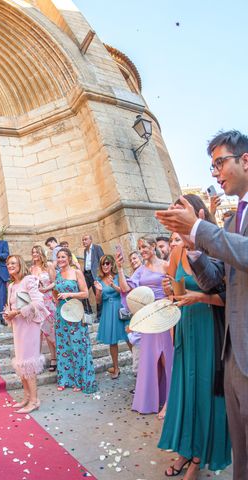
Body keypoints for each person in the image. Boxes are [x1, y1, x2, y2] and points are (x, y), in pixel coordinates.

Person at [155, 129, 248, 480]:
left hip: (236, 341)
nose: (215, 173)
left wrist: (197, 230)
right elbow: (219, 280)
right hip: (233, 353)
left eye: (219, 163)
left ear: (245, 160)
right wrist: (190, 247)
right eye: (211, 166)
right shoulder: (232, 218)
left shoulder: (222, 224)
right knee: (242, 454)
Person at [157, 195, 231, 479]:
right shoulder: (176, 252)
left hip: (208, 328)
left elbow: (229, 298)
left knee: (203, 393)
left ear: (197, 213)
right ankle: (185, 450)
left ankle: (199, 456)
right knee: (185, 392)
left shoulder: (215, 245)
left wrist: (198, 297)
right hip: (186, 328)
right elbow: (176, 294)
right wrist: (169, 288)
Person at [116, 236, 173, 416]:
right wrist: (119, 268)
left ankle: (170, 403)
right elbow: (127, 289)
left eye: (144, 247)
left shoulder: (166, 265)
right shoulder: (140, 270)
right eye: (139, 248)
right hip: (149, 317)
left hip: (165, 314)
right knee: (150, 360)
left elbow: (174, 287)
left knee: (166, 357)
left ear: (154, 246)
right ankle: (152, 400)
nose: (142, 250)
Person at [4, 255, 48, 412]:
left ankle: (34, 400)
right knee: (22, 362)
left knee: (28, 362)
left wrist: (16, 311)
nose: (10, 265)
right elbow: (11, 306)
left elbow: (38, 303)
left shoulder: (28, 280)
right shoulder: (11, 286)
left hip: (29, 326)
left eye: (13, 263)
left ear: (20, 264)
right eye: (8, 263)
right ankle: (27, 397)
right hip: (18, 326)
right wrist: (8, 313)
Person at [53, 247, 97, 393]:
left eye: (63, 257)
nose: (60, 260)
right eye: (58, 257)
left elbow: (85, 293)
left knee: (77, 346)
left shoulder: (76, 272)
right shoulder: (58, 274)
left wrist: (68, 294)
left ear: (69, 259)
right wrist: (56, 299)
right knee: (63, 347)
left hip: (75, 313)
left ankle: (79, 380)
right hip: (61, 314)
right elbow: (55, 291)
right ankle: (65, 379)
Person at [94, 255, 131, 379]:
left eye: (107, 263)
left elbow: (125, 290)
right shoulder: (99, 280)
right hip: (108, 311)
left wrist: (113, 285)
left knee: (129, 337)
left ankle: (139, 364)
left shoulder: (117, 276)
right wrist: (98, 291)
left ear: (112, 264)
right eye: (103, 264)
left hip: (120, 308)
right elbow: (98, 301)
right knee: (112, 341)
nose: (105, 266)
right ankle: (116, 368)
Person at [30, 245, 57, 372]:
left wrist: (46, 288)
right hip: (36, 304)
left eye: (37, 252)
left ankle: (54, 359)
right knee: (37, 333)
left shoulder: (49, 266)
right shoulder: (31, 269)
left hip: (48, 302)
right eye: (33, 252)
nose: (35, 254)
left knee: (49, 332)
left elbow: (55, 282)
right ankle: (37, 362)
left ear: (41, 253)